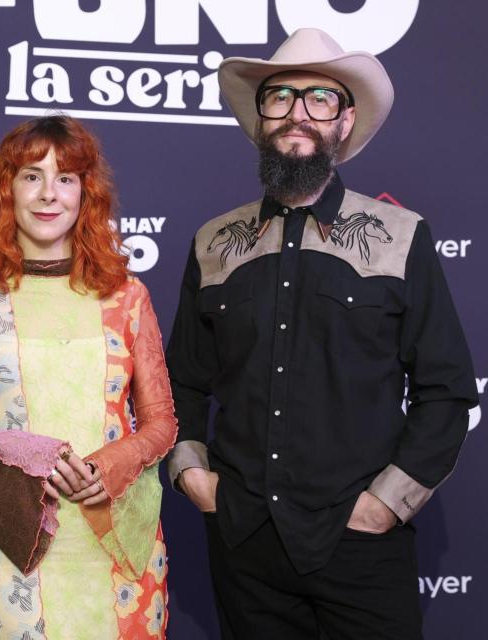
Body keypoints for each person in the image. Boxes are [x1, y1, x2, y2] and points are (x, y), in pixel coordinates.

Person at [166, 28, 477, 639]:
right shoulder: (213, 243)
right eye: (280, 96)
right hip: (244, 544)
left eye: (320, 98)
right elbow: (182, 379)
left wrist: (387, 503)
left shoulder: (401, 235)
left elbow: (448, 391)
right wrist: (191, 474)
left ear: (345, 119)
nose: (298, 113)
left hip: (360, 546)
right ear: (260, 117)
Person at [0, 115, 177, 639]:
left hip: (118, 545)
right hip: (17, 544)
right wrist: (32, 455)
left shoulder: (127, 297)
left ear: (86, 194)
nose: (48, 194)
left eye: (65, 178)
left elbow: (161, 425)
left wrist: (109, 464)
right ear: (7, 190)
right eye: (31, 176)